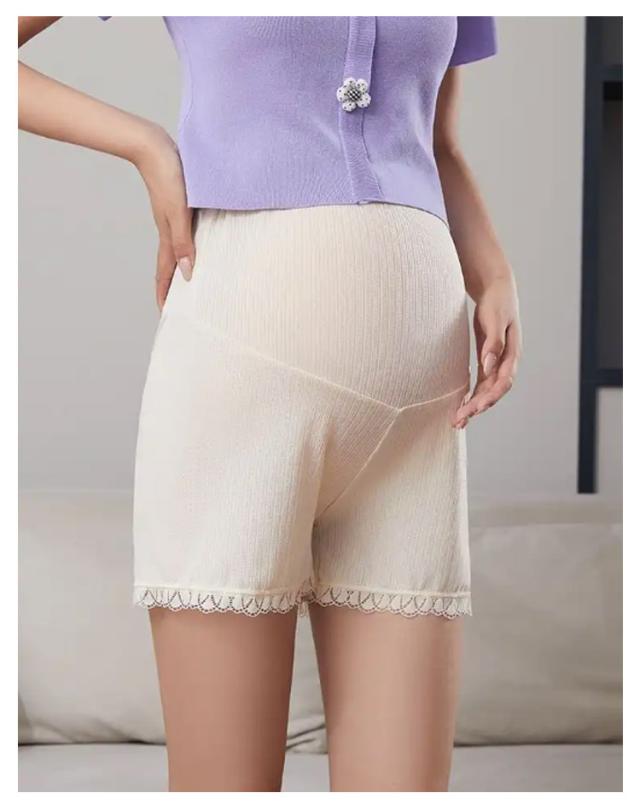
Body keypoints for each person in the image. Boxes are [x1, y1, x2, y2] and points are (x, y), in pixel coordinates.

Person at [18, 16, 521, 792]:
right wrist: (147, 145)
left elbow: (438, 142)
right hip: (237, 387)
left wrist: (493, 274)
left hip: (419, 420)